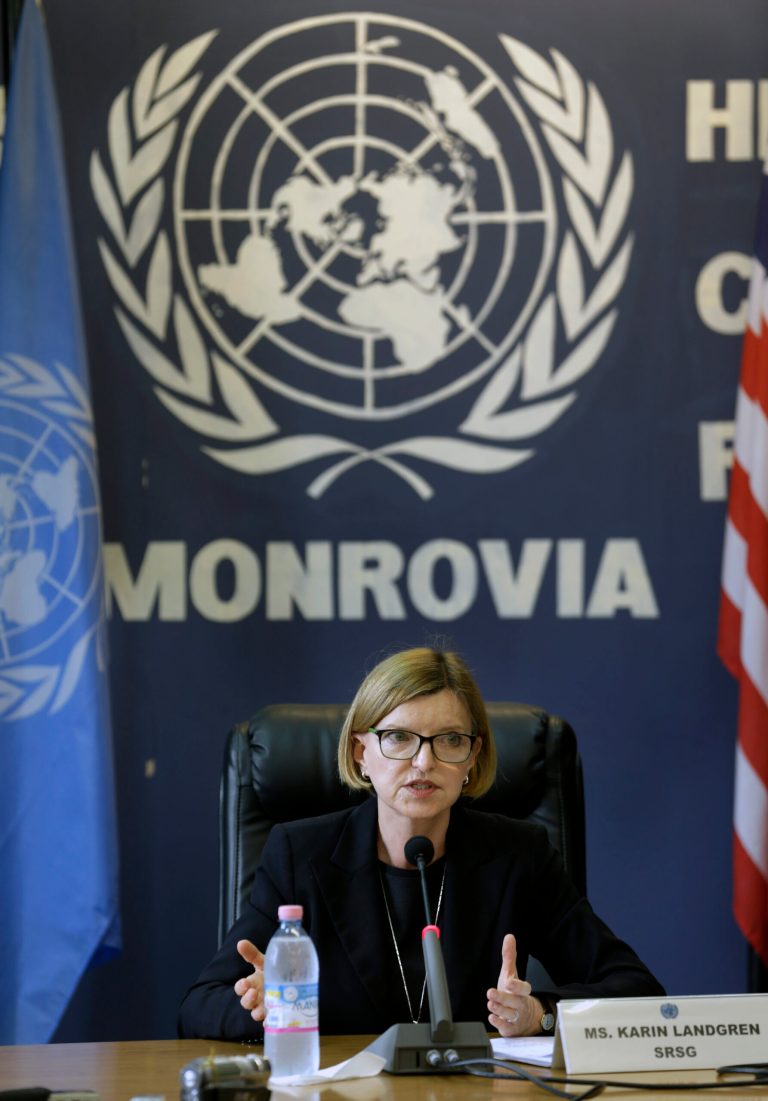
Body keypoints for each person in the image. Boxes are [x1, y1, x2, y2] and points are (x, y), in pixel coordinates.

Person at [179, 647, 664, 1040]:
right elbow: (199, 1006)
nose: (423, 762)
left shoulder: (518, 856)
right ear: (361, 752)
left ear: (473, 756)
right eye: (398, 738)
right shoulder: (299, 856)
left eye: (449, 740)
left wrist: (541, 1013)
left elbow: (637, 992)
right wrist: (265, 1007)